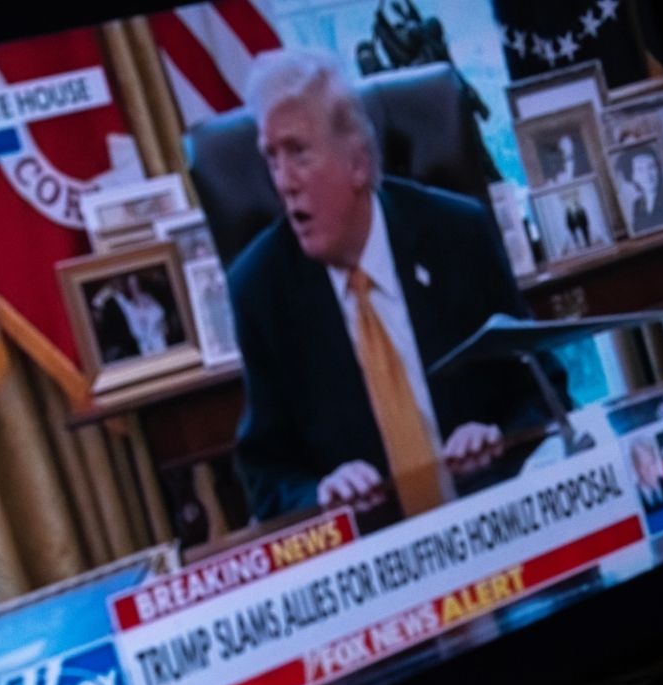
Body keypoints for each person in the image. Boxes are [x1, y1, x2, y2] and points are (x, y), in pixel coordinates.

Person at [228, 49, 559, 528]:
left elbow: (545, 389)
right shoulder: (261, 289)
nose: (283, 183)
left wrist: (498, 437)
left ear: (358, 162)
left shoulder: (457, 236)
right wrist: (319, 492)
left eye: (298, 153)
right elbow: (265, 472)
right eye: (271, 158)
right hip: (376, 566)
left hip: (496, 526)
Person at [624, 149, 663, 233]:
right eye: (640, 170)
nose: (647, 174)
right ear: (634, 176)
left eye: (651, 167)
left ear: (658, 170)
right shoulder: (637, 204)